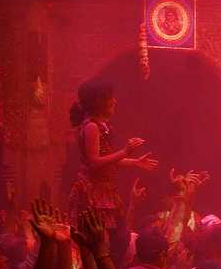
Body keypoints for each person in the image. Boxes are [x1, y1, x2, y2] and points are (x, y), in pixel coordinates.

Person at [68, 79, 159, 229]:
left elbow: (108, 160)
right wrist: (125, 151)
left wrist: (134, 161)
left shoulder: (101, 126)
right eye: (110, 98)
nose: (115, 101)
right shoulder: (91, 127)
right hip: (92, 192)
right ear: (99, 102)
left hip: (103, 190)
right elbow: (94, 162)